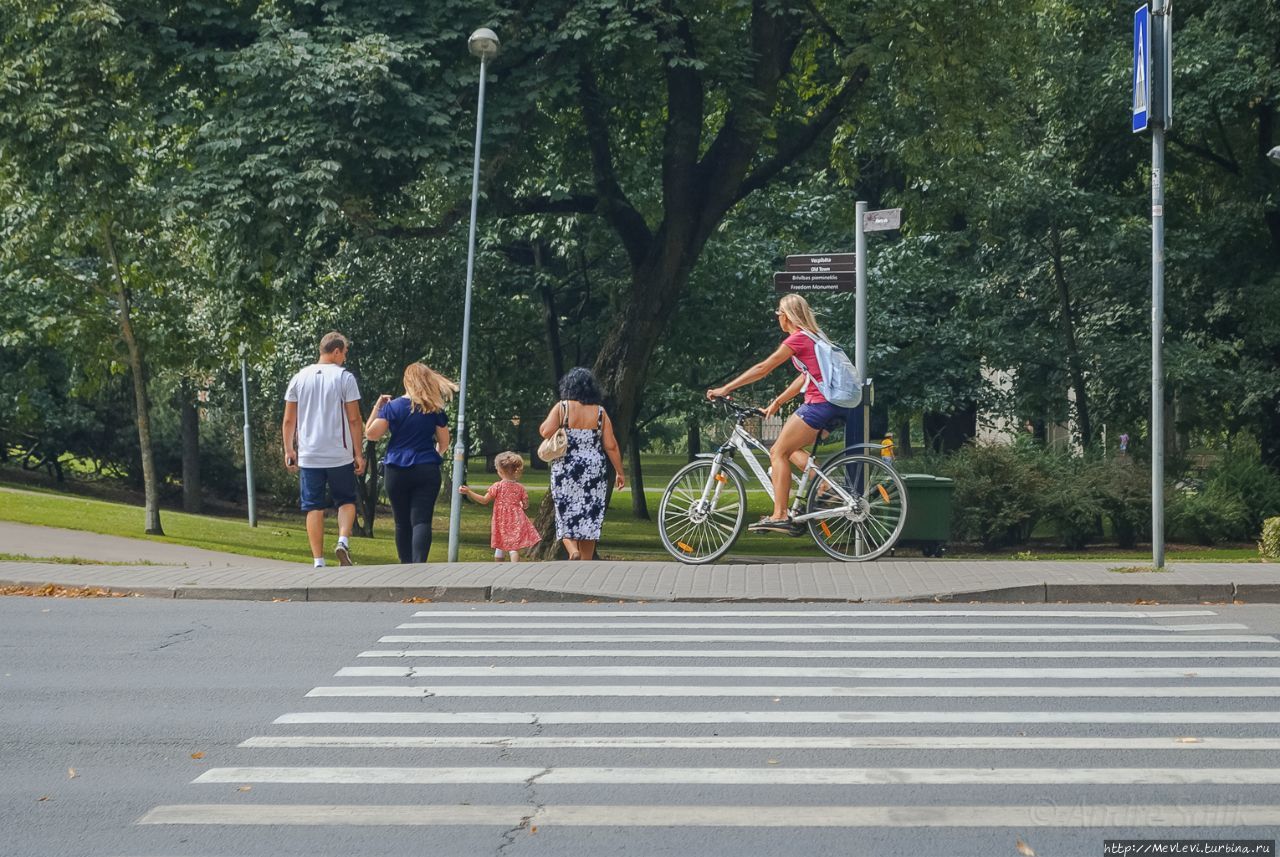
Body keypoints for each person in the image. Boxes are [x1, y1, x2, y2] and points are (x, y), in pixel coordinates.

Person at [707, 293, 850, 534]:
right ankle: (827, 487)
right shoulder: (814, 338)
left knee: (777, 452)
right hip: (835, 404)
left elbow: (763, 368)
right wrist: (778, 402)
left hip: (818, 404)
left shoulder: (797, 339)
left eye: (778, 314)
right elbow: (805, 376)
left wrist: (726, 388)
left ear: (786, 316)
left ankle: (780, 514)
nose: (778, 318)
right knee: (791, 450)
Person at [282, 331, 365, 567]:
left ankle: (318, 560)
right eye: (345, 353)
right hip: (339, 453)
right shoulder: (344, 378)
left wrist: (289, 450)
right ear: (336, 351)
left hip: (309, 455)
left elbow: (289, 420)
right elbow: (354, 419)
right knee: (346, 501)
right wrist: (358, 453)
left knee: (313, 507)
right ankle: (342, 540)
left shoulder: (299, 377)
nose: (345, 358)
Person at [364, 362, 455, 564]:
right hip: (426, 468)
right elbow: (444, 442)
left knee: (401, 522)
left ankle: (406, 566)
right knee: (422, 520)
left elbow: (371, 434)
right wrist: (434, 456)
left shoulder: (392, 407)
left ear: (407, 381)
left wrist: (377, 407)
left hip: (396, 468)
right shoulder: (434, 409)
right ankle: (419, 564)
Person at [539, 367, 625, 560]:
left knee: (565, 509)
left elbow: (545, 432)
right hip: (594, 470)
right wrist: (620, 472)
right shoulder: (600, 413)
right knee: (590, 514)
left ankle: (572, 550)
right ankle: (586, 564)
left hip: (566, 468)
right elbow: (611, 445)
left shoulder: (562, 408)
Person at [458, 451, 541, 562]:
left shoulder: (497, 486)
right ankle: (515, 568)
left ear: (500, 471)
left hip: (501, 520)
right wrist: (520, 504)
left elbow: (484, 500)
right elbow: (525, 505)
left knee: (500, 545)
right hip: (516, 519)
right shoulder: (520, 487)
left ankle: (499, 571)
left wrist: (469, 492)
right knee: (513, 547)